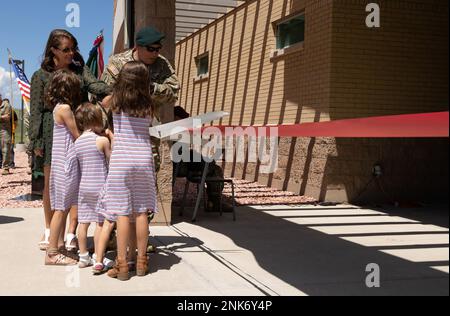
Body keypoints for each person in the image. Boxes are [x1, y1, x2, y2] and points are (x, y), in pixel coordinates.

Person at [29, 29, 111, 252]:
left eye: (73, 48)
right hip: (50, 132)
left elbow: (96, 86)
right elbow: (35, 110)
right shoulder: (40, 76)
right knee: (51, 186)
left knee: (77, 184)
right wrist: (35, 142)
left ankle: (71, 232)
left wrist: (116, 89)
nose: (71, 53)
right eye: (66, 49)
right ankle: (49, 230)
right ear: (53, 50)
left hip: (79, 128)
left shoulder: (79, 70)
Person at [99, 61, 157, 281]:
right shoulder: (149, 105)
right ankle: (141, 262)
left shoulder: (115, 101)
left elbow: (102, 105)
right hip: (143, 160)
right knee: (141, 211)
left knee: (122, 213)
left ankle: (122, 265)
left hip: (122, 160)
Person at [101, 25, 180, 172]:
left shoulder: (162, 64)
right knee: (117, 171)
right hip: (119, 128)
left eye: (158, 49)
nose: (155, 53)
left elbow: (173, 92)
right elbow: (103, 95)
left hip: (147, 128)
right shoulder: (118, 62)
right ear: (137, 46)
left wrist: (153, 89)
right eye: (151, 49)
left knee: (148, 171)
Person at [44, 70, 81, 266]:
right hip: (67, 164)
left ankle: (58, 245)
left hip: (61, 163)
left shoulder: (57, 107)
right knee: (61, 209)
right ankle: (51, 253)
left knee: (63, 207)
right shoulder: (65, 109)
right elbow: (76, 134)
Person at [73, 103, 113, 269]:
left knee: (83, 223)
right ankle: (98, 255)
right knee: (100, 223)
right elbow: (111, 161)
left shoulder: (78, 142)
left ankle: (83, 256)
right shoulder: (102, 140)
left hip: (84, 187)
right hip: (100, 186)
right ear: (97, 119)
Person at [0, 95, 12, 175]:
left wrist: (4, 117)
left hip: (4, 130)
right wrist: (2, 117)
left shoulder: (6, 105)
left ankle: (6, 167)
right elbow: (3, 117)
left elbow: (7, 117)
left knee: (6, 148)